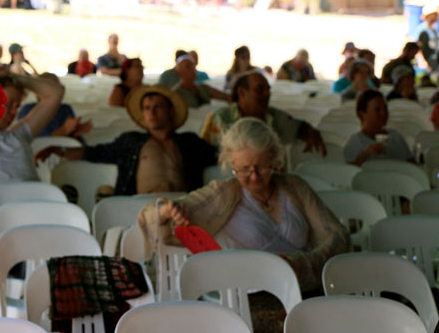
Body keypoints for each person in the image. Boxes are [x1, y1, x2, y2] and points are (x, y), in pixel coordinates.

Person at [138, 118, 349, 299]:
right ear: (231, 164)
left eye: (263, 167)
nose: (255, 176)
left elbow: (336, 235)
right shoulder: (223, 195)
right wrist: (168, 212)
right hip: (244, 296)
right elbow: (149, 216)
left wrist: (302, 266)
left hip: (305, 289)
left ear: (275, 159)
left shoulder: (294, 186)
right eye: (245, 169)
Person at [35, 85, 217, 195]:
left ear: (170, 111)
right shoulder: (131, 142)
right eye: (146, 108)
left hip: (184, 209)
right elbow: (95, 152)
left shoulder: (190, 142)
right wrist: (58, 149)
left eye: (158, 107)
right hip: (139, 208)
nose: (151, 112)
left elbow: (219, 156)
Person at [0, 74, 64, 200]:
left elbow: (56, 93)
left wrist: (17, 78)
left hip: (41, 207)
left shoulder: (19, 135)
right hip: (3, 216)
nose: (14, 112)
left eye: (17, 106)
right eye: (8, 104)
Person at [201, 70, 326, 155]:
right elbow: (204, 154)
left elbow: (299, 127)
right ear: (241, 93)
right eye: (259, 89)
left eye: (268, 89)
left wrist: (309, 132)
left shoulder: (275, 116)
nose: (267, 94)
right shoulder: (219, 119)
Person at [344, 90, 413, 166]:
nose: (384, 113)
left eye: (385, 108)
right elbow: (349, 173)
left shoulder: (396, 136)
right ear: (362, 113)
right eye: (377, 110)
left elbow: (413, 165)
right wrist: (365, 155)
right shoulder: (355, 142)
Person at [17, 73, 92, 140]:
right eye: (52, 87)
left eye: (58, 86)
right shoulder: (28, 110)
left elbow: (72, 138)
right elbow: (34, 141)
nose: (56, 91)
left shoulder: (65, 108)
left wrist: (76, 131)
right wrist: (64, 130)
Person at [415, 0, 439, 71]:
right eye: (434, 14)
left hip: (434, 60)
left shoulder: (433, 29)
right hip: (427, 61)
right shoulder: (422, 30)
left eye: (436, 14)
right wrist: (422, 62)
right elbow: (417, 47)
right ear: (428, 16)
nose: (436, 16)